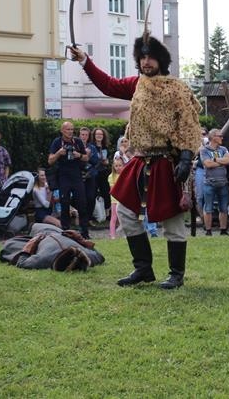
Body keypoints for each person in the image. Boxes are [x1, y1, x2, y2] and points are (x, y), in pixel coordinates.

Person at [69, 34, 201, 289]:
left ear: (161, 60)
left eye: (151, 57)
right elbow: (108, 85)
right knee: (126, 213)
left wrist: (186, 156)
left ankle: (176, 274)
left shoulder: (177, 87)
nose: (146, 62)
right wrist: (85, 60)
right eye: (142, 57)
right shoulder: (136, 85)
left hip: (167, 161)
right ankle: (143, 269)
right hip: (140, 160)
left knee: (171, 219)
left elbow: (188, 123)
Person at [48, 121, 90, 239]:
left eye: (72, 129)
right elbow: (50, 161)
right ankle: (65, 231)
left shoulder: (77, 142)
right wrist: (58, 153)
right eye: (68, 129)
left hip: (76, 176)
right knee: (64, 204)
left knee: (82, 203)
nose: (70, 132)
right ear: (62, 130)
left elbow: (86, 158)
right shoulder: (57, 142)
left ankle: (84, 232)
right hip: (63, 177)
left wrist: (79, 155)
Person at [200, 128, 229, 236]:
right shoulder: (204, 150)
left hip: (223, 183)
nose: (222, 138)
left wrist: (214, 160)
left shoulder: (223, 149)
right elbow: (207, 164)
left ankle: (223, 230)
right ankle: (208, 231)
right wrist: (221, 162)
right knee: (208, 208)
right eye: (220, 136)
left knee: (223, 208)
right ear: (213, 137)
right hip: (209, 183)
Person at [78, 127, 100, 229]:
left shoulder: (92, 147)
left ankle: (89, 218)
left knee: (91, 197)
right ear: (79, 135)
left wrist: (88, 156)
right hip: (79, 176)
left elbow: (96, 161)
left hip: (90, 175)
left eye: (86, 135)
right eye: (82, 134)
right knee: (81, 198)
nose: (84, 137)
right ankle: (82, 219)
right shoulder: (76, 147)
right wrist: (84, 156)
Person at [92, 127, 112, 215]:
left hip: (104, 172)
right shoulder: (91, 146)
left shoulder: (106, 147)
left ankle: (108, 213)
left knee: (106, 192)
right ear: (94, 135)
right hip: (94, 172)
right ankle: (94, 213)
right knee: (93, 193)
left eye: (101, 134)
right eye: (97, 134)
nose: (99, 136)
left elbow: (109, 160)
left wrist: (107, 162)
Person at [108, 157, 125, 239]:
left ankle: (126, 234)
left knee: (124, 217)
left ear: (123, 165)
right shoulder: (111, 176)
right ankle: (112, 235)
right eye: (116, 166)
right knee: (114, 217)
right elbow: (112, 189)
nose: (118, 167)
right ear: (113, 167)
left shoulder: (126, 175)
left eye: (120, 165)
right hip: (115, 200)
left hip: (124, 200)